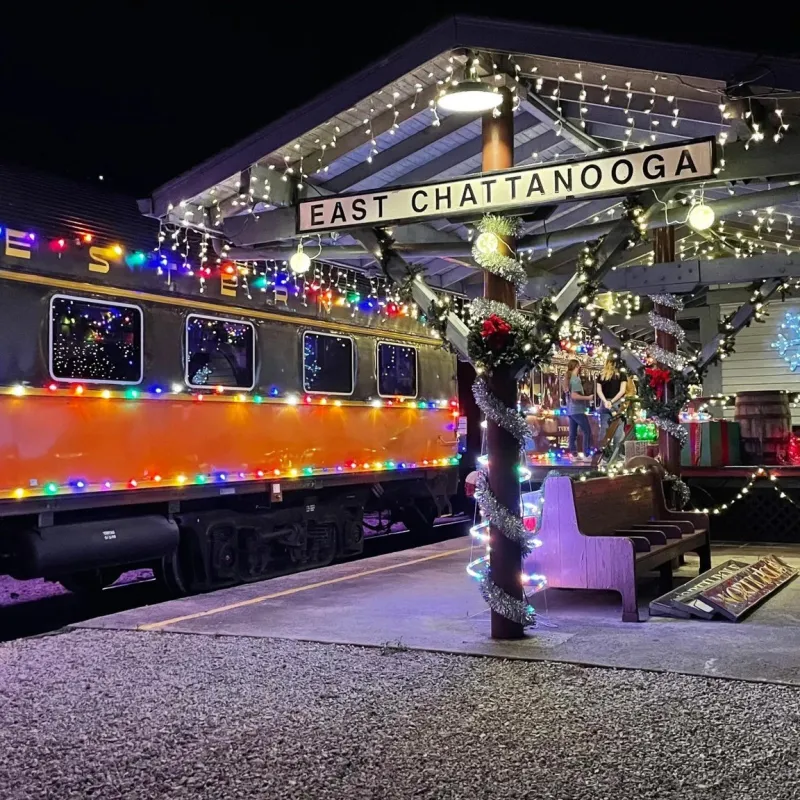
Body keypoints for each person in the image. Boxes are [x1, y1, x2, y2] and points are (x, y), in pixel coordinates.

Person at [597, 356, 628, 449]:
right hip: (617, 403)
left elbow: (599, 391)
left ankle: (603, 452)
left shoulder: (602, 375)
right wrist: (612, 401)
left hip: (604, 404)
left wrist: (606, 401)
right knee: (618, 429)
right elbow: (622, 391)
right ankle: (616, 453)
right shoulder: (621, 374)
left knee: (604, 428)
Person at [564, 359, 593, 455]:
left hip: (570, 410)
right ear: (577, 366)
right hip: (578, 409)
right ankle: (586, 452)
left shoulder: (569, 378)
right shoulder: (575, 379)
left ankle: (573, 451)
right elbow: (574, 396)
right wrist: (588, 397)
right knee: (587, 431)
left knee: (573, 433)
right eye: (579, 366)